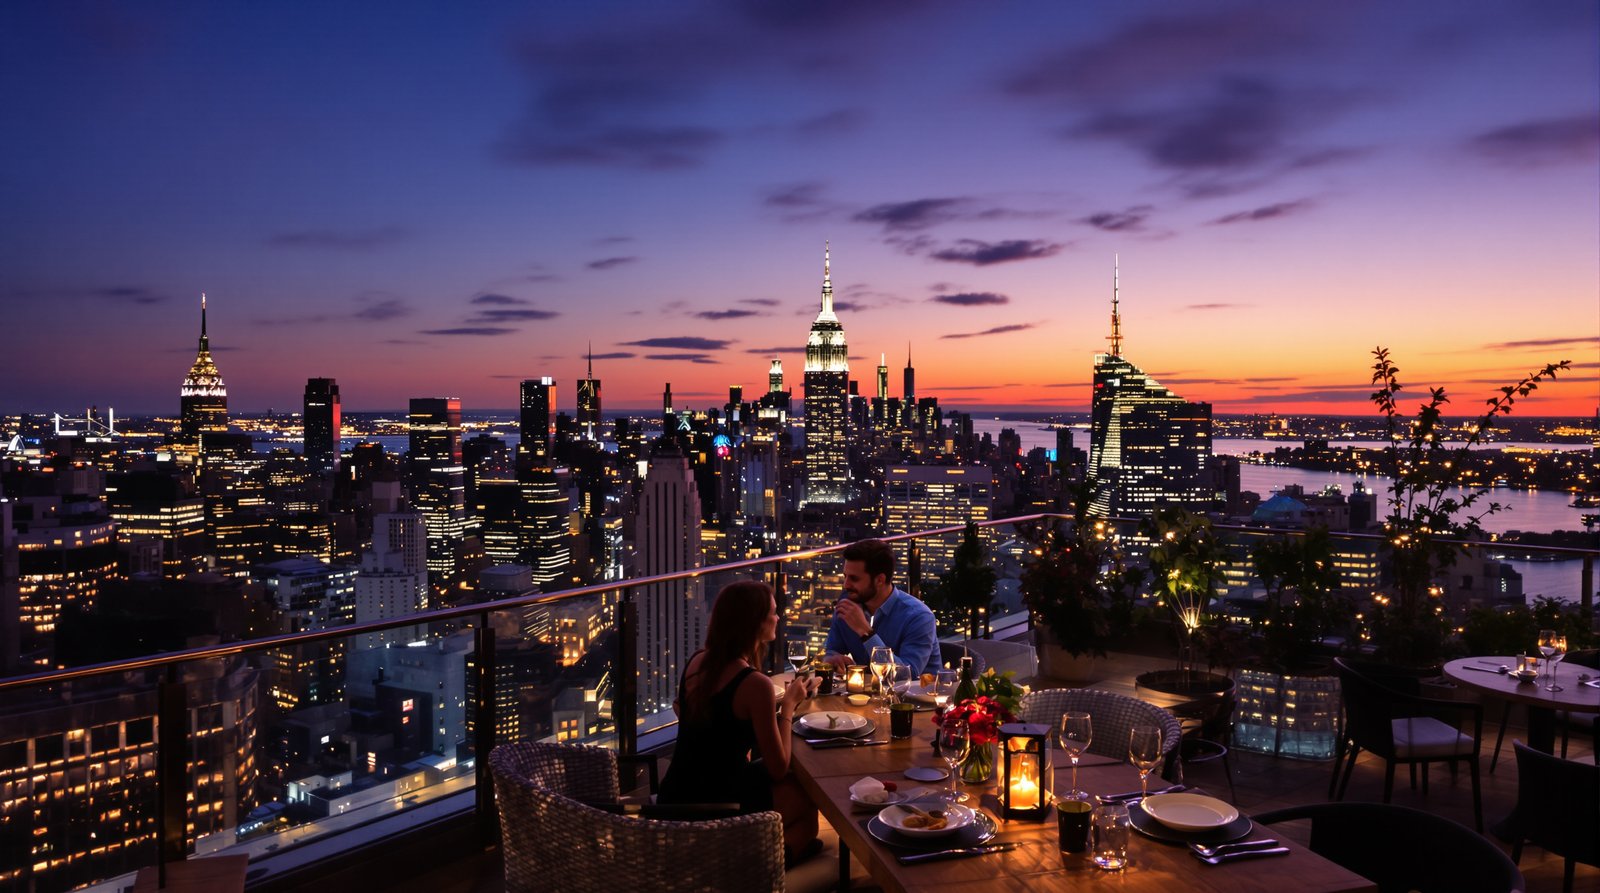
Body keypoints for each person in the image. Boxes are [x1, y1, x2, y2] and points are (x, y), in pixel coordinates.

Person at [658, 580, 822, 866]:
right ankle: (749, 871)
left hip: (675, 797)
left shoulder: (698, 661)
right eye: (773, 611)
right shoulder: (754, 684)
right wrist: (788, 704)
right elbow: (778, 767)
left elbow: (709, 728)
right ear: (755, 623)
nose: (778, 617)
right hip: (718, 807)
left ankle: (747, 858)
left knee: (806, 821)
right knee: (807, 802)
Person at [822, 539, 940, 677]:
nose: (846, 585)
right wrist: (832, 659)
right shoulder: (848, 603)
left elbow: (908, 675)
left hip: (917, 696)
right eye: (845, 576)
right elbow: (832, 651)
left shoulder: (919, 616)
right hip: (866, 695)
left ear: (879, 580)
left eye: (854, 579)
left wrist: (865, 632)